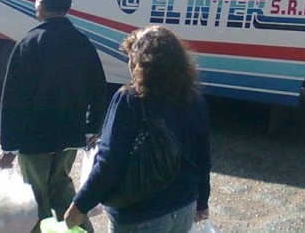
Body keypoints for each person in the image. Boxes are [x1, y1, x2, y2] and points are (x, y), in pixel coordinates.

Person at [64, 26, 211, 233]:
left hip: (140, 214)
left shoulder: (130, 100)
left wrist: (80, 205)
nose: (129, 65)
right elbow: (203, 156)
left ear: (142, 63)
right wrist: (202, 200)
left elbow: (109, 161)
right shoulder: (194, 99)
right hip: (183, 206)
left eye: (131, 58)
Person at [0, 0, 108, 233]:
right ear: (67, 7)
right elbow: (98, 88)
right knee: (61, 187)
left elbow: (14, 99)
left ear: (40, 6)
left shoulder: (28, 43)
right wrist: (91, 129)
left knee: (35, 197)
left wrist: (9, 146)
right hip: (71, 135)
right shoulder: (82, 41)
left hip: (34, 139)